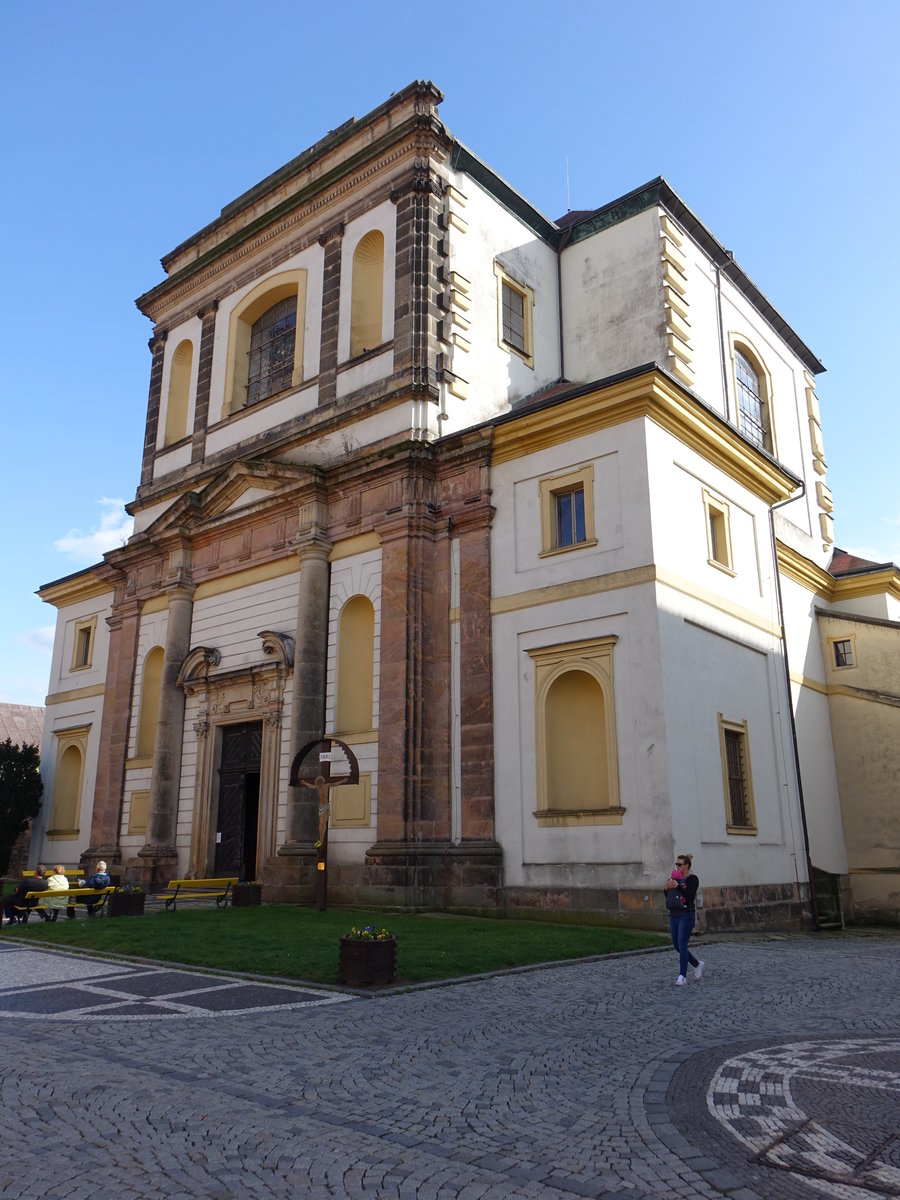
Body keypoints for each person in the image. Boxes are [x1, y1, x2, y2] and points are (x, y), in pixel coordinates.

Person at [664, 853, 705, 986]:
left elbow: (689, 895)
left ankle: (682, 976)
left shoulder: (692, 879)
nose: (678, 866)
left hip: (686, 915)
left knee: (682, 944)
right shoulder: (674, 878)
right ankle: (697, 964)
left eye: (680, 864)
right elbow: (670, 896)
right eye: (676, 864)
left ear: (687, 866)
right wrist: (667, 888)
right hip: (674, 914)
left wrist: (678, 886)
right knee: (676, 945)